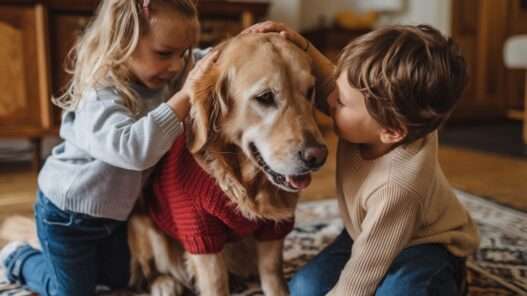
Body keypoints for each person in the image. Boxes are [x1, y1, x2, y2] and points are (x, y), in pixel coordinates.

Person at [0, 1, 219, 295]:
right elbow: (132, 149)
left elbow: (206, 61)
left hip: (113, 216)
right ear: (122, 40)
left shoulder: (159, 74)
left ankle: (71, 261)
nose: (178, 66)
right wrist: (184, 97)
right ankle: (19, 257)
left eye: (184, 53)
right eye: (165, 53)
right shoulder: (100, 92)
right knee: (71, 291)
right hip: (66, 217)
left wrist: (243, 44)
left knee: (121, 279)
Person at [245, 22, 480, 295]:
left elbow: (364, 270)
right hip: (363, 232)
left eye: (341, 101)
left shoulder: (398, 186)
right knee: (304, 288)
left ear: (389, 131)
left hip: (425, 246)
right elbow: (330, 82)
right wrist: (299, 42)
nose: (329, 98)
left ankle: (451, 280)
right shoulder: (384, 121)